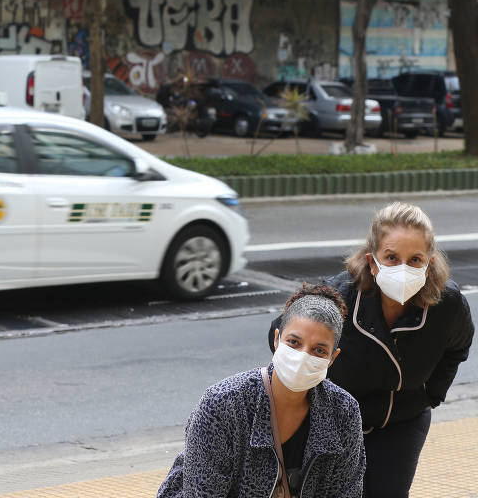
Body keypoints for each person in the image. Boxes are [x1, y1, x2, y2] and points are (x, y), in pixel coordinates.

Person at [268, 202, 474, 498]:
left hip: (402, 421)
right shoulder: (339, 298)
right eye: (391, 257)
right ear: (372, 261)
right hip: (335, 421)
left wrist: (430, 396)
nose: (403, 268)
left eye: (415, 259)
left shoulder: (447, 304)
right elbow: (282, 335)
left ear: (429, 263)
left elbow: (458, 348)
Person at [158, 284, 365, 498]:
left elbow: (346, 492)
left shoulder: (344, 411)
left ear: (333, 358)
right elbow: (202, 493)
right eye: (294, 342)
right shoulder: (222, 403)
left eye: (319, 350)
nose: (303, 356)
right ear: (276, 339)